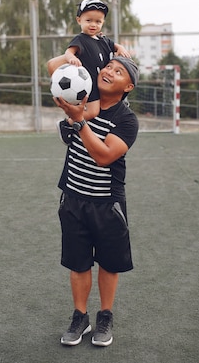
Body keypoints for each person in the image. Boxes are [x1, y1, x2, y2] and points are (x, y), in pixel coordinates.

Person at [53, 56, 139, 347]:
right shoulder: (82, 99)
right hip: (74, 198)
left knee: (109, 263)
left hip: (107, 204)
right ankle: (80, 317)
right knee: (77, 264)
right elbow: (53, 68)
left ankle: (105, 316)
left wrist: (79, 123)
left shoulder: (126, 120)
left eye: (118, 71)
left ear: (128, 86)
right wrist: (69, 56)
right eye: (108, 66)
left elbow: (103, 157)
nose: (109, 71)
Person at [47, 0, 130, 144]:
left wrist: (121, 48)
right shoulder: (81, 39)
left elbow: (114, 46)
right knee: (93, 112)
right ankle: (67, 124)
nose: (93, 24)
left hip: (100, 83)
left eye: (98, 21)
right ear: (79, 20)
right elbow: (69, 52)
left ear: (103, 23)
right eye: (88, 20)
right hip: (87, 84)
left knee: (98, 112)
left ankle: (79, 126)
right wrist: (71, 57)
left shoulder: (103, 40)